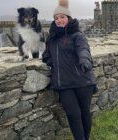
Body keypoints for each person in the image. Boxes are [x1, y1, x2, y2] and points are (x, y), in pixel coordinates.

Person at [42, 0, 97, 139]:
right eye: (56, 18)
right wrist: (50, 61)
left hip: (82, 80)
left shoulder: (77, 35)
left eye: (62, 17)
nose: (59, 20)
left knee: (84, 112)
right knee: (73, 114)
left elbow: (83, 49)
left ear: (68, 18)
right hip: (63, 83)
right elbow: (46, 54)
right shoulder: (51, 38)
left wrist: (84, 59)